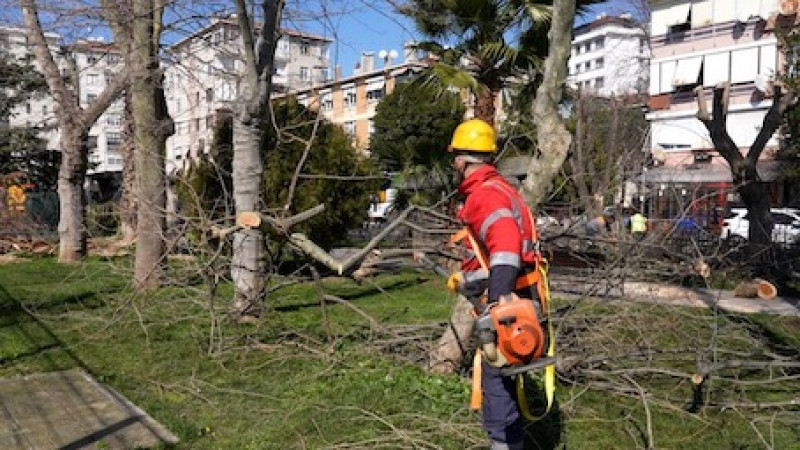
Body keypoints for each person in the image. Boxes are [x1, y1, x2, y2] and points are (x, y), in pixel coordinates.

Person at [446, 118, 541, 450]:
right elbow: (495, 255)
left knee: (497, 384)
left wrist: (498, 304)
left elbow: (505, 248)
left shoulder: (484, 195)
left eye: (454, 158)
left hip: (508, 301)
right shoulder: (500, 189)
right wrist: (468, 278)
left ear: (462, 159)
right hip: (520, 296)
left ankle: (504, 445)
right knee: (504, 380)